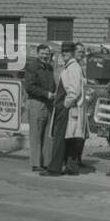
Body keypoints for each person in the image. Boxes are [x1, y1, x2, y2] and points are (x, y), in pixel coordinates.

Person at [45, 42, 88, 176]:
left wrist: (65, 105)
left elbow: (74, 91)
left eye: (68, 51)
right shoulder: (70, 66)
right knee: (69, 139)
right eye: (63, 51)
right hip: (66, 107)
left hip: (66, 108)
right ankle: (71, 168)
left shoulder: (73, 68)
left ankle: (55, 168)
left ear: (73, 52)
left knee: (60, 139)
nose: (64, 53)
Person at [22, 43, 55, 172]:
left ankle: (46, 162)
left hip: (48, 103)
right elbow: (30, 86)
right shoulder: (32, 67)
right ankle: (36, 164)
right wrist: (46, 93)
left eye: (47, 54)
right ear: (37, 54)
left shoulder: (49, 68)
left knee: (47, 134)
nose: (45, 56)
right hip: (36, 102)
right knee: (36, 134)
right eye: (42, 53)